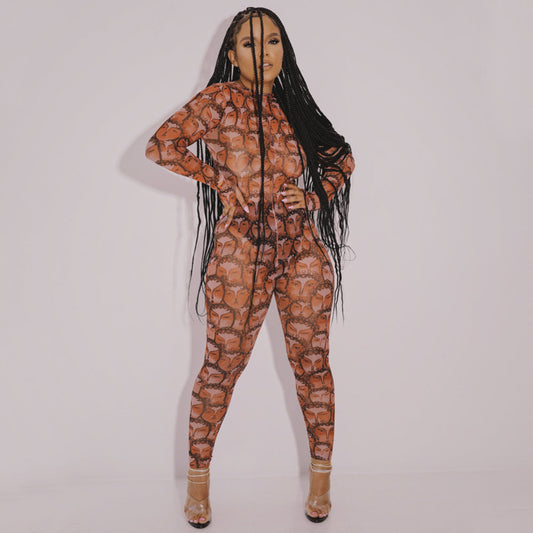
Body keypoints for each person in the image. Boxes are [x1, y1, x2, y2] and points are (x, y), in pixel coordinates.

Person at [145, 6, 355, 528]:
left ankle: (322, 480)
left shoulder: (294, 105)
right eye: (250, 43)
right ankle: (198, 485)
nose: (264, 53)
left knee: (312, 364)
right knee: (221, 367)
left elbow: (342, 157)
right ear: (232, 53)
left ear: (285, 48)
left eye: (273, 41)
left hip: (302, 251)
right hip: (240, 251)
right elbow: (161, 145)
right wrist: (218, 178)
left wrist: (313, 197)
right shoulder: (217, 100)